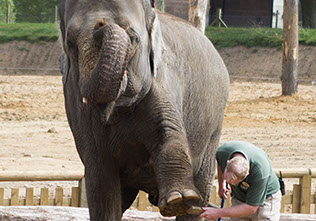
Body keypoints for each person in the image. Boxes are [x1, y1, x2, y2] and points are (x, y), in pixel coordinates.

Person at [200, 141, 281, 221]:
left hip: (267, 196)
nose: (232, 184)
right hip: (240, 196)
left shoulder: (260, 172)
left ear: (247, 174)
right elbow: (220, 163)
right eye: (229, 180)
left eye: (236, 181)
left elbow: (251, 208)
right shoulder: (222, 152)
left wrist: (218, 213)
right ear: (227, 163)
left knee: (264, 217)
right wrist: (222, 184)